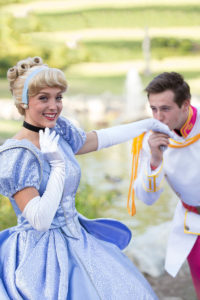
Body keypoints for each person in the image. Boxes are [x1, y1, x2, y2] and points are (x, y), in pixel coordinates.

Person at [0, 56, 172, 300]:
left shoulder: (57, 130)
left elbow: (95, 139)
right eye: (43, 98)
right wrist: (58, 165)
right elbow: (39, 219)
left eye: (58, 97)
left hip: (79, 239)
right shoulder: (18, 154)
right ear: (24, 102)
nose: (54, 106)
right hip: (42, 258)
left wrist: (146, 124)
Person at [134, 71, 200, 299]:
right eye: (153, 109)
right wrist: (154, 160)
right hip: (195, 225)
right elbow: (147, 199)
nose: (158, 117)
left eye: (165, 108)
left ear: (185, 105)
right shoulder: (151, 140)